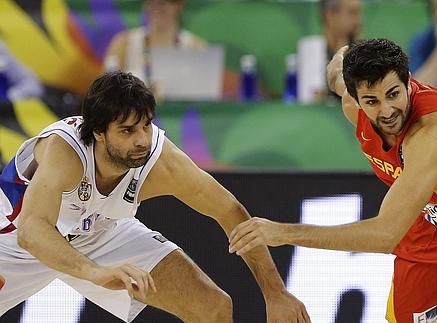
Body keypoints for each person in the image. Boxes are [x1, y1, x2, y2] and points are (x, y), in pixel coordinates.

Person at [229, 38, 437, 322]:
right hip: (434, 219)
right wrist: (338, 66)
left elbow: (386, 234)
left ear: (408, 81)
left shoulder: (432, 131)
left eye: (394, 94)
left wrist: (283, 232)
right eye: (372, 101)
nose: (386, 110)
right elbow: (338, 69)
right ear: (355, 100)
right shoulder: (352, 100)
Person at [0, 71, 309, 322]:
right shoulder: (65, 151)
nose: (141, 141)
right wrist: (95, 272)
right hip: (16, 244)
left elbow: (231, 212)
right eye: (127, 131)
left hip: (98, 232)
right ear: (98, 132)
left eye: (146, 125)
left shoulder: (160, 161)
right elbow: (33, 230)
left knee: (212, 308)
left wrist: (275, 292)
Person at [104, 0, 239, 99]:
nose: (156, 8)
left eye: (163, 3)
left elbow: (207, 97)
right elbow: (104, 92)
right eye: (151, 3)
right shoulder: (123, 43)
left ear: (179, 6)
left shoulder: (196, 46)